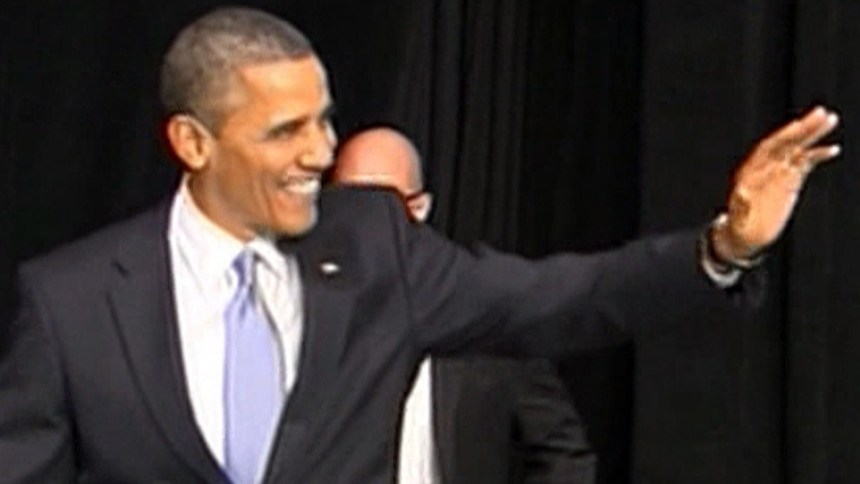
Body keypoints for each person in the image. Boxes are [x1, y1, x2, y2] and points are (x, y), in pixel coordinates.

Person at [0, 6, 840, 484]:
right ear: (193, 142)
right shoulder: (71, 301)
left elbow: (562, 297)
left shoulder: (374, 247)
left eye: (325, 120)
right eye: (286, 130)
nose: (321, 153)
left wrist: (722, 246)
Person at [331, 126, 596, 484]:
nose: (363, 225)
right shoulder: (301, 315)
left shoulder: (487, 315)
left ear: (419, 209)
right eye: (347, 204)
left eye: (381, 208)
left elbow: (563, 454)